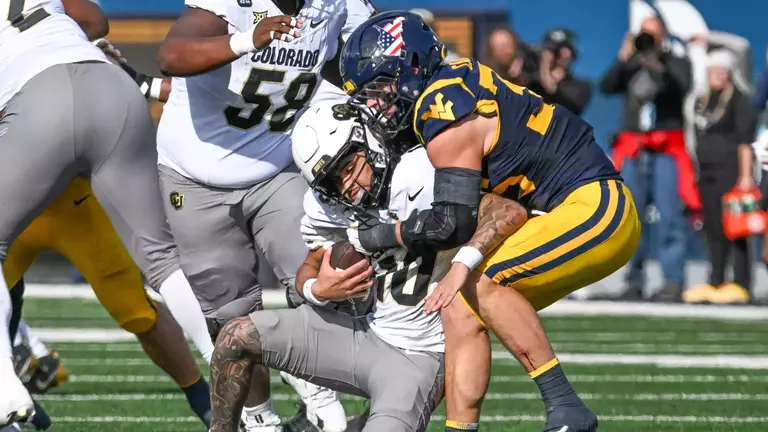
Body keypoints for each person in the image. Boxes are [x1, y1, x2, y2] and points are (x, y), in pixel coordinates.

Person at [339, 11, 642, 432]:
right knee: (460, 307)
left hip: (596, 205)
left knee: (483, 280)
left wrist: (376, 236)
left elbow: (452, 224)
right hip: (571, 207)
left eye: (378, 87)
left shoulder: (441, 108)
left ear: (409, 67)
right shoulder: (449, 78)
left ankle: (566, 406)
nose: (375, 102)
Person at [207, 100, 529, 432]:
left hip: (418, 356)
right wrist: (316, 290)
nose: (345, 186)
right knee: (235, 336)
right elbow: (310, 265)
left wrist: (462, 263)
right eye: (332, 181)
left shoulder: (420, 171)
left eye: (347, 167)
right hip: (362, 334)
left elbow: (507, 211)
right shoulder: (329, 205)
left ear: (369, 142)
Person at [154, 0, 376, 429]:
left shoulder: (331, 6)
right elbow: (170, 56)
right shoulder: (230, 6)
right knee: (232, 320)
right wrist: (244, 41)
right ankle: (261, 419)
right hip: (195, 177)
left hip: (276, 167)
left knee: (318, 277)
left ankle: (325, 401)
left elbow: (333, 63)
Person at [0, 0, 212, 427]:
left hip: (51, 160)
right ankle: (241, 378)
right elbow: (95, 18)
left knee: (138, 311)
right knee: (164, 260)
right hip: (105, 99)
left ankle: (6, 389)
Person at [4, 177, 212, 427]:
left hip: (79, 205)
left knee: (136, 312)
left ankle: (205, 402)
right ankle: (9, 393)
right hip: (13, 200)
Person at [599, 16, 695, 302]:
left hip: (665, 149)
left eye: (653, 35)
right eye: (645, 35)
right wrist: (624, 57)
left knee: (669, 216)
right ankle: (634, 280)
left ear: (663, 36)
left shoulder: (676, 61)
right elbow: (606, 86)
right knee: (632, 217)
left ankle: (673, 281)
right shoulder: (631, 63)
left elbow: (683, 86)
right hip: (634, 148)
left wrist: (658, 64)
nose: (648, 41)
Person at [683, 50, 756, 305]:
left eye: (723, 70)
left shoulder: (739, 99)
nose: (719, 74)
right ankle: (716, 280)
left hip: (731, 171)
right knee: (713, 228)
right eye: (714, 69)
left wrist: (745, 177)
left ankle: (742, 283)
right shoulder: (700, 101)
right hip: (707, 171)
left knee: (735, 228)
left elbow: (745, 141)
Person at [526, 29, 592, 116]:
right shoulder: (531, 81)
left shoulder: (581, 86)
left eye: (564, 48)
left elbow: (565, 107)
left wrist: (545, 67)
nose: (557, 53)